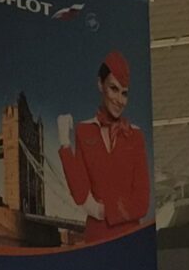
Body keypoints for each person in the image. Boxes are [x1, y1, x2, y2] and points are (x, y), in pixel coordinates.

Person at [54, 48, 149, 244]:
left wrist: (101, 210)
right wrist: (65, 143)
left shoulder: (136, 136)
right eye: (114, 89)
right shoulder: (83, 130)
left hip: (130, 239)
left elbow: (142, 203)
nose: (119, 100)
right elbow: (80, 191)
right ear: (100, 84)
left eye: (124, 93)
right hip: (95, 237)